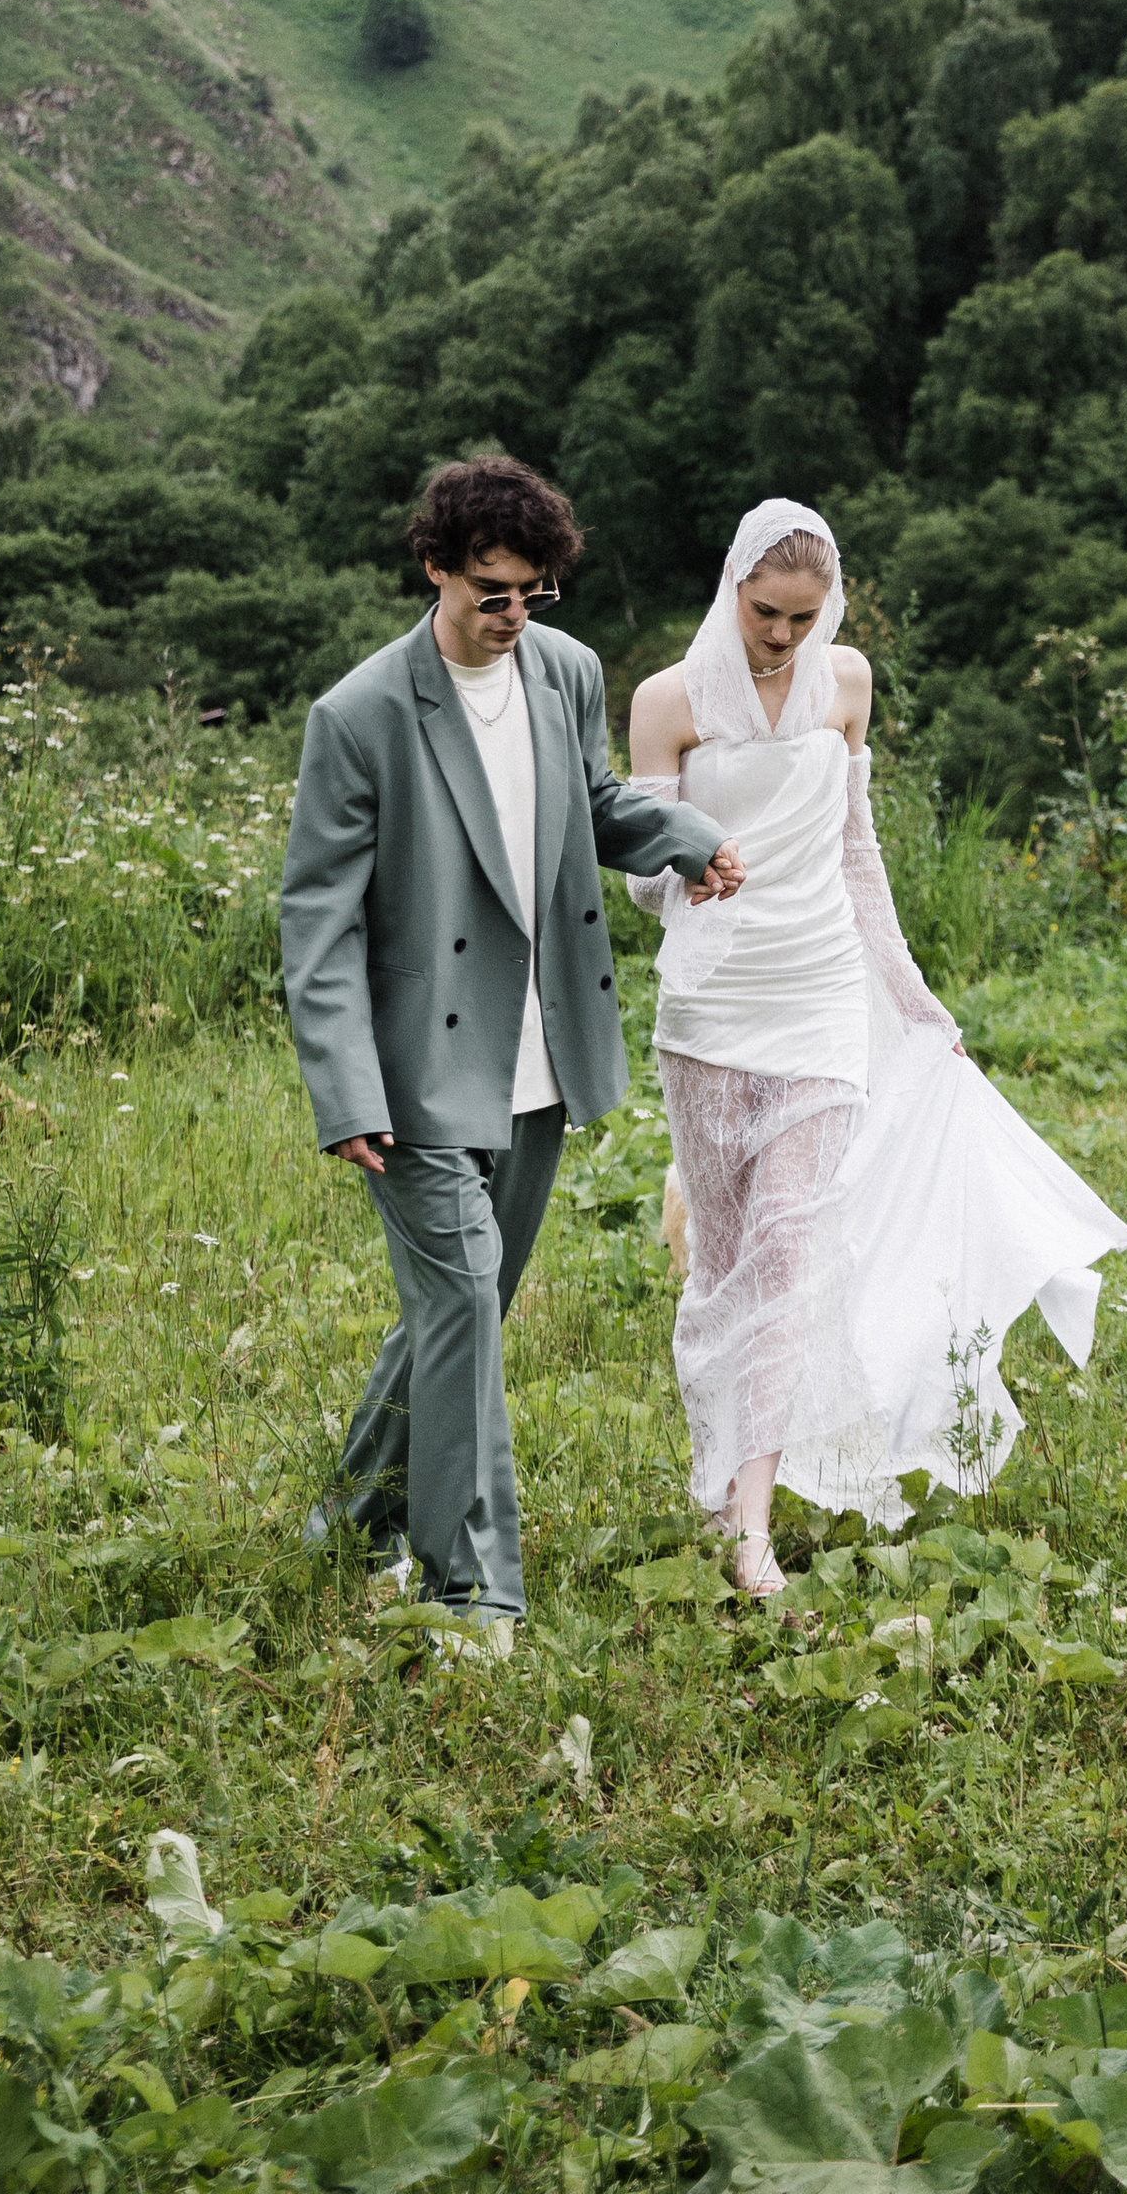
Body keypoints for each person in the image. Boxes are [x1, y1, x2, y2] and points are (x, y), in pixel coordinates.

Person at [628, 498, 1127, 1598]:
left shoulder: (845, 685)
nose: (782, 639)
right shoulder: (666, 702)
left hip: (817, 1001)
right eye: (766, 614)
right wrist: (690, 856)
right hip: (711, 1011)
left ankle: (750, 1531)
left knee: (790, 1256)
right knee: (721, 1269)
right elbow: (638, 877)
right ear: (731, 589)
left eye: (804, 620)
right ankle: (720, 1480)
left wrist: (915, 1002)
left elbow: (859, 857)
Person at [279, 454, 742, 1636]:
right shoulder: (361, 714)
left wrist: (683, 835)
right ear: (435, 568)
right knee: (465, 1298)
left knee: (463, 1309)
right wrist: (344, 1089)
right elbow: (317, 923)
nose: (513, 615)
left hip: (541, 1056)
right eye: (491, 591)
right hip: (416, 1075)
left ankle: (350, 1517)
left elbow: (584, 803)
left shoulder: (566, 671)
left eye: (533, 592)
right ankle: (469, 1587)